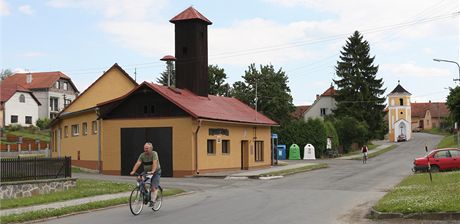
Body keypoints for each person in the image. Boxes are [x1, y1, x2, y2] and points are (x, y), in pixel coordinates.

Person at [130, 142, 161, 207]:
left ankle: (152, 201)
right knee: (139, 178)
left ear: (151, 148)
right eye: (144, 148)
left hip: (156, 172)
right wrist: (133, 170)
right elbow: (138, 163)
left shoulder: (154, 153)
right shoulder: (142, 155)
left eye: (147, 148)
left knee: (153, 187)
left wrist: (153, 170)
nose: (145, 149)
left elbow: (155, 162)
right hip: (146, 171)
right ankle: (145, 194)